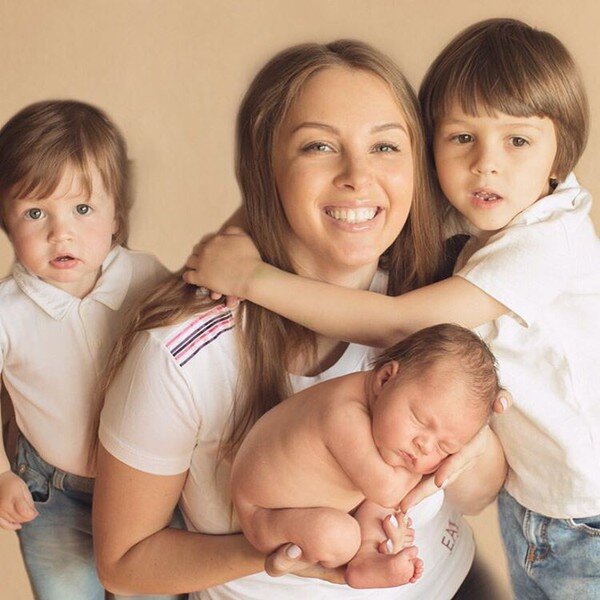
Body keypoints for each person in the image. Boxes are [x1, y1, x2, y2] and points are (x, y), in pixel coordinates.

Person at [184, 19, 600, 598]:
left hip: (584, 518)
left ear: (561, 154)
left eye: (518, 141)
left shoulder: (550, 242)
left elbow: (403, 323)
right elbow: (320, 190)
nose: (486, 164)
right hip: (539, 502)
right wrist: (237, 232)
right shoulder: (494, 207)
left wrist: (251, 278)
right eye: (461, 138)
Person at [94, 40, 507, 599]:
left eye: (385, 146)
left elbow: (478, 496)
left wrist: (468, 442)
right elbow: (123, 564)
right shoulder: (182, 352)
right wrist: (273, 556)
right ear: (266, 169)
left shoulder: (438, 305)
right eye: (319, 146)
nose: (358, 175)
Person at [0, 100, 182, 600]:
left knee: (157, 588)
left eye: (82, 209)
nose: (61, 232)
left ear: (116, 217)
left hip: (147, 489)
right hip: (53, 491)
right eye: (35, 213)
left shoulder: (145, 277)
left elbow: (195, 345)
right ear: (7, 223)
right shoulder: (8, 312)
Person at [232, 323, 503, 589]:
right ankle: (359, 555)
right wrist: (428, 473)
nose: (425, 446)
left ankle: (367, 559)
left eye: (445, 447)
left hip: (316, 506)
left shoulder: (384, 415)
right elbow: (389, 491)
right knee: (340, 534)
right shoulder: (342, 413)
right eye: (420, 420)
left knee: (383, 504)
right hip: (266, 514)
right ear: (385, 378)